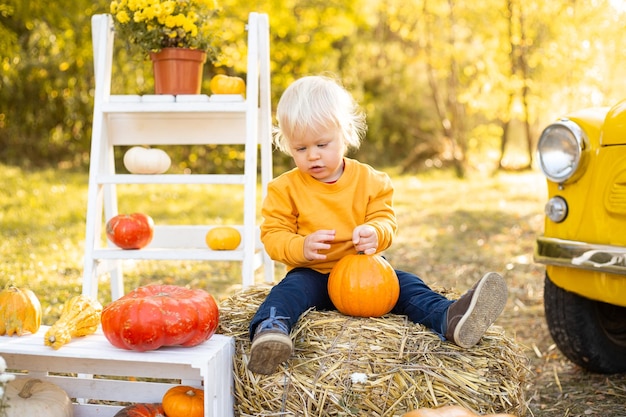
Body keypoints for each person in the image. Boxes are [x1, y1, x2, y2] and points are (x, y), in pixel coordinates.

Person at [247, 75, 508, 375]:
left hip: (365, 273)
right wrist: (301, 246)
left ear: (344, 135)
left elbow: (386, 219)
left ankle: (449, 317)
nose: (313, 155)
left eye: (322, 144)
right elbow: (273, 234)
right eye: (300, 149)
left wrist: (375, 233)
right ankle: (270, 331)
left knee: (407, 286)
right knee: (288, 292)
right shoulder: (285, 188)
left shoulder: (371, 181)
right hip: (312, 273)